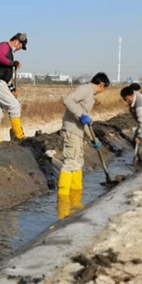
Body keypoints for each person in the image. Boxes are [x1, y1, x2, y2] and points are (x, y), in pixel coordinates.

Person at [57, 72, 111, 218]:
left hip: (78, 133)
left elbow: (85, 121)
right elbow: (68, 100)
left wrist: (93, 139)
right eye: (104, 88)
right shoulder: (85, 89)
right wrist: (81, 115)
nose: (103, 91)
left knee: (78, 163)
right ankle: (62, 200)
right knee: (70, 162)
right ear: (101, 85)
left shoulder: (89, 95)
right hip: (71, 131)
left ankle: (75, 198)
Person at [0, 32, 27, 144]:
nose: (19, 49)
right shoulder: (4, 46)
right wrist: (13, 63)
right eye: (20, 46)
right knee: (14, 106)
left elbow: (6, 77)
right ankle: (19, 136)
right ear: (17, 41)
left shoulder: (9, 53)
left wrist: (12, 89)